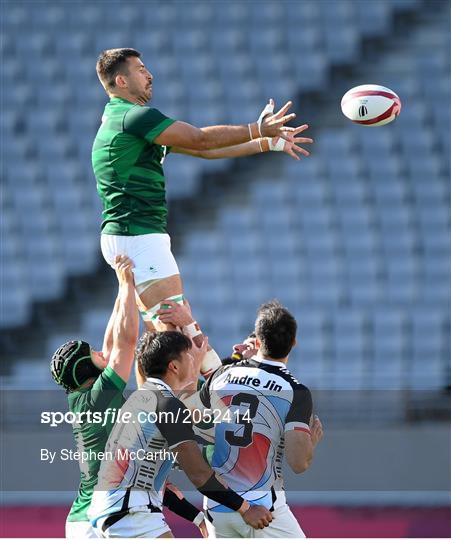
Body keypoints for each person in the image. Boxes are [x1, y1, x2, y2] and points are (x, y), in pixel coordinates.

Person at [93, 48, 313, 356]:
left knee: (161, 338)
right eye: (140, 69)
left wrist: (264, 142)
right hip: (138, 234)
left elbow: (202, 151)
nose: (149, 74)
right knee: (177, 342)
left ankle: (161, 401)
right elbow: (200, 139)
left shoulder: (122, 120)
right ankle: (193, 402)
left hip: (129, 234)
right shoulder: (135, 116)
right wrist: (258, 128)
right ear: (121, 80)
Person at [158, 299, 324, 538]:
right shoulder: (295, 391)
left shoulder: (225, 374)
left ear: (257, 340)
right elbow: (299, 463)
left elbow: (190, 410)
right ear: (294, 343)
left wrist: (186, 323)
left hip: (218, 506)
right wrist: (309, 443)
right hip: (264, 508)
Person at [88, 331, 273, 538]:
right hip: (131, 514)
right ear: (174, 366)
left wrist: (198, 519)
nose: (194, 360)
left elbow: (154, 481)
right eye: (189, 355)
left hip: (112, 511)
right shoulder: (167, 405)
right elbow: (198, 474)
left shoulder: (143, 398)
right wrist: (246, 509)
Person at [50, 256, 139, 539]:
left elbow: (112, 346)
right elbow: (126, 343)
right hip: (95, 519)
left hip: (82, 517)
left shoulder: (88, 393)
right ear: (87, 369)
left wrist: (120, 287)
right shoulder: (99, 397)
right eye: (94, 354)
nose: (102, 352)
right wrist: (128, 285)